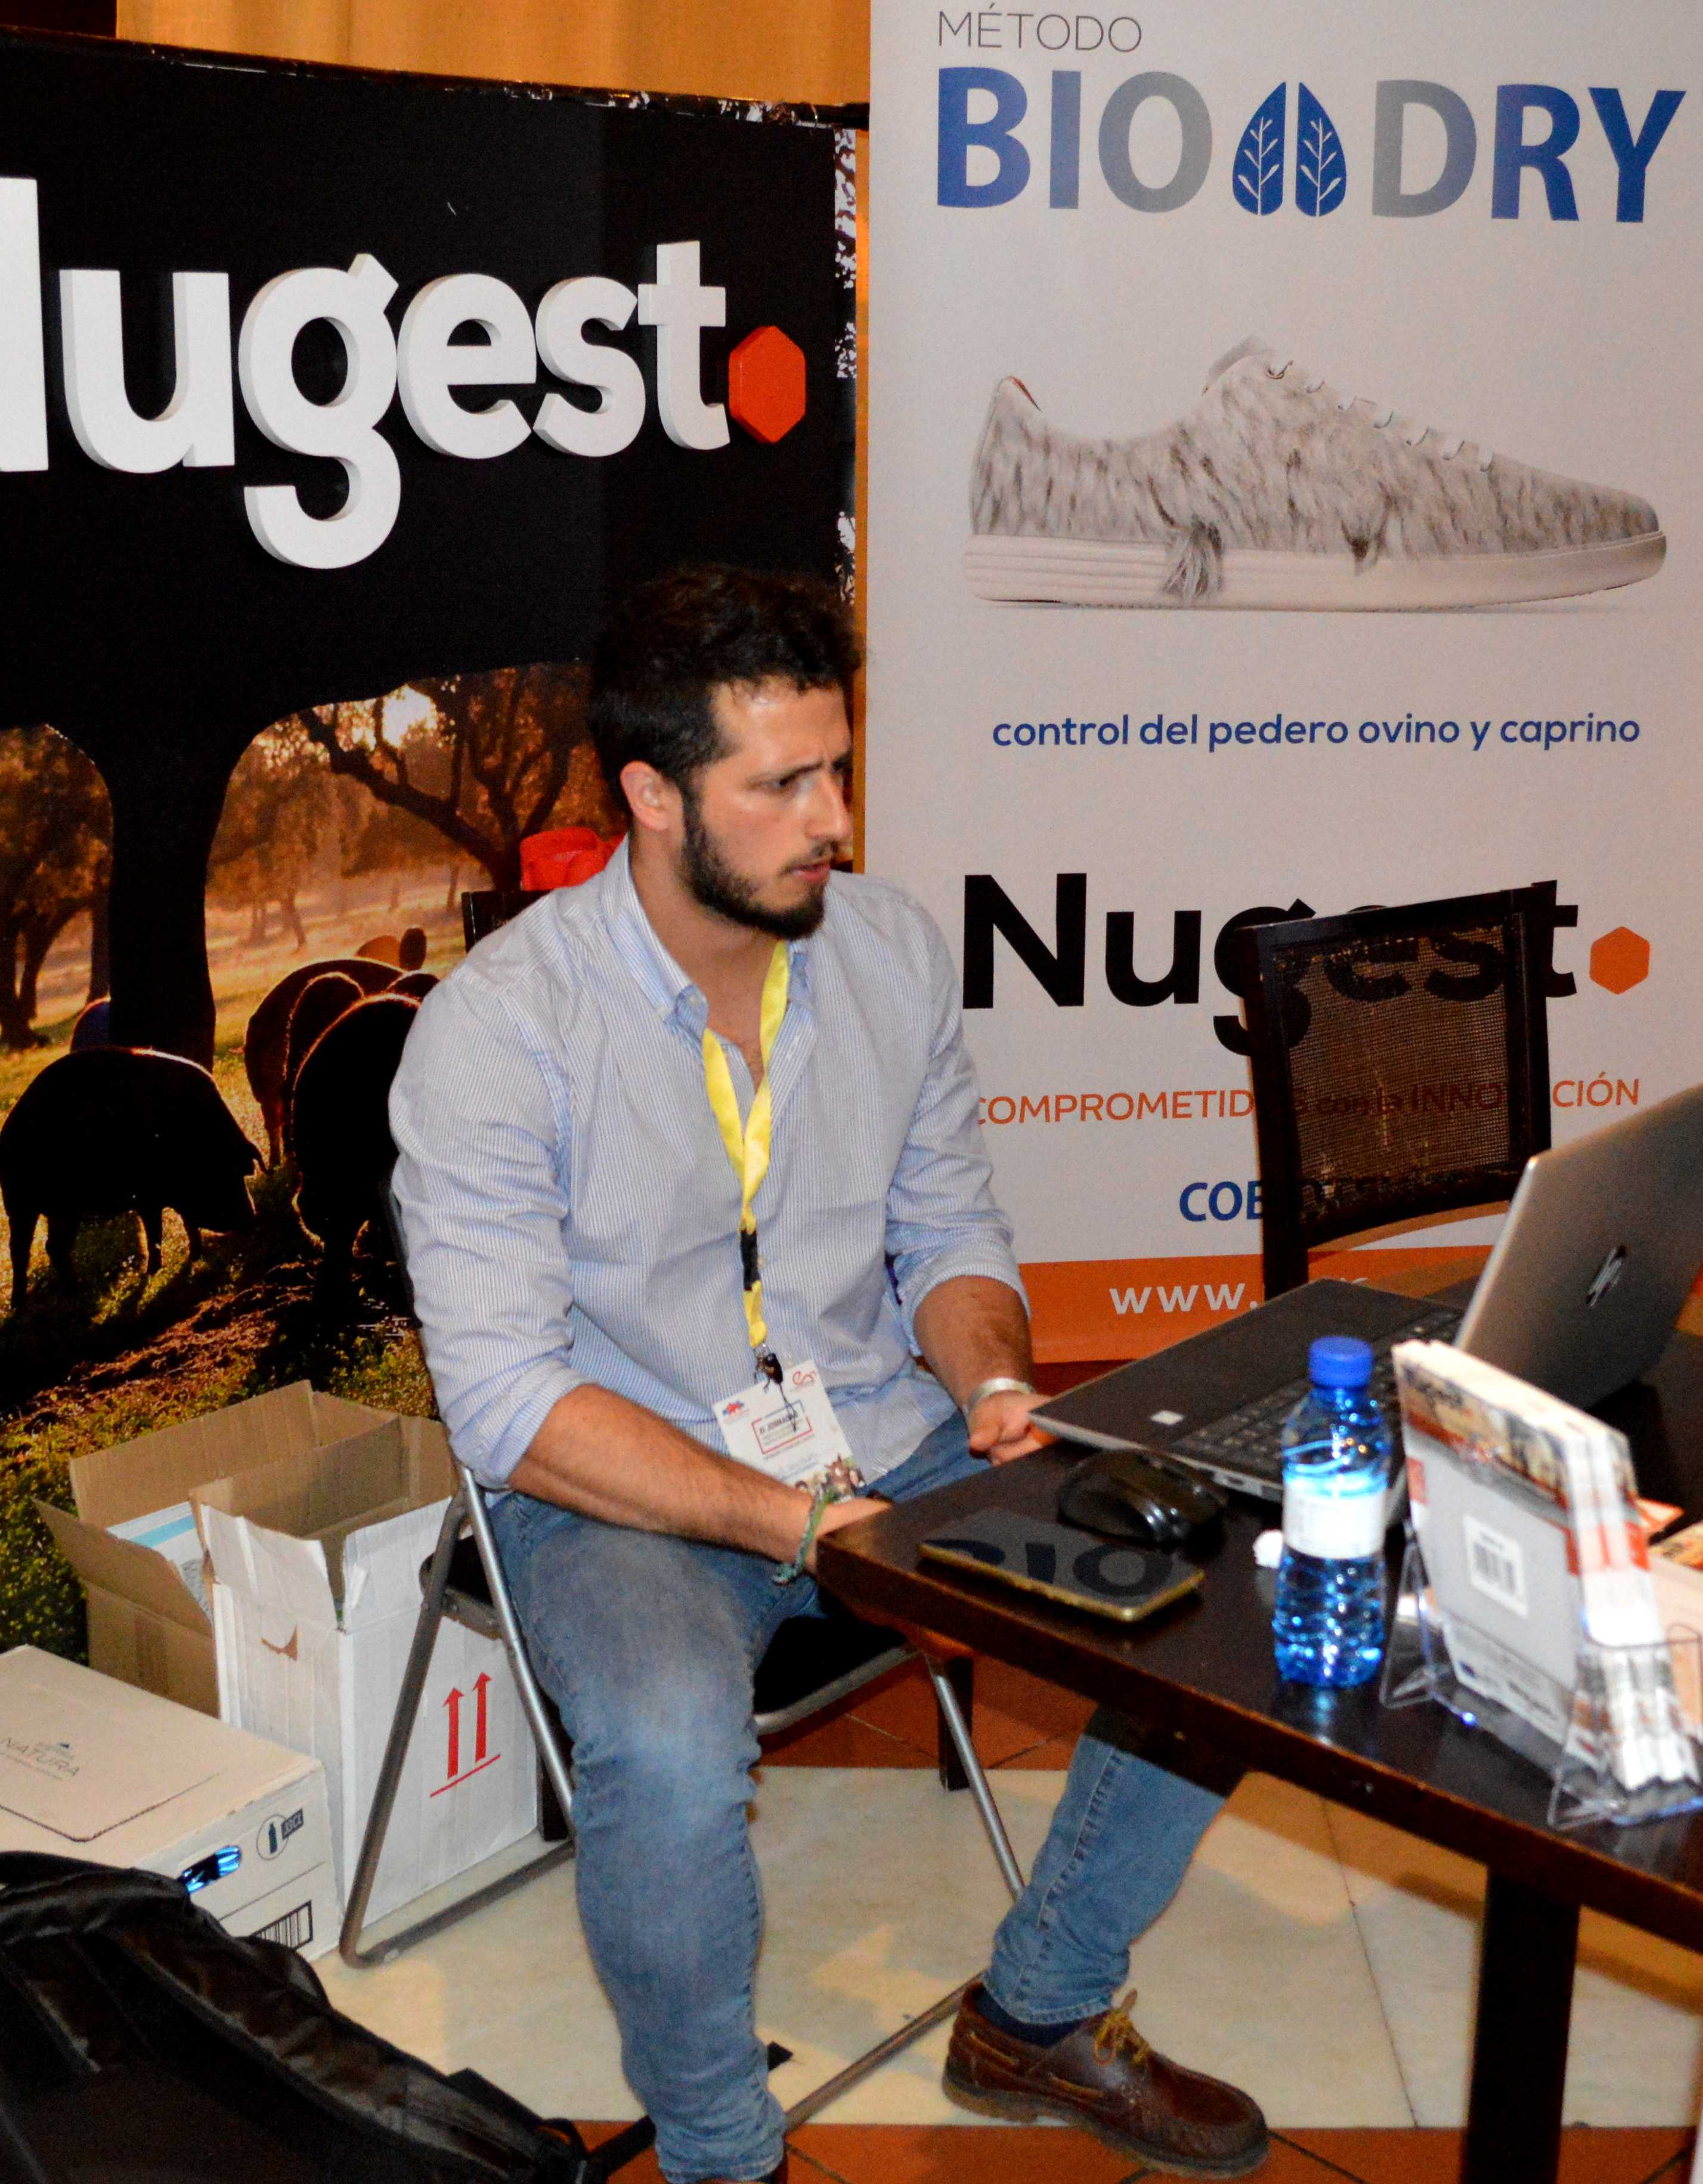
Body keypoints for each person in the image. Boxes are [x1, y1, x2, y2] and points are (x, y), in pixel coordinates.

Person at [388, 566, 1266, 2184]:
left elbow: (950, 1234)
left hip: (884, 1439)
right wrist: (791, 1525)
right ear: (653, 796)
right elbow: (509, 1406)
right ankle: (724, 2153)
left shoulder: (887, 953)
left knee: (1235, 1589)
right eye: (782, 784)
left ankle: (1042, 2007)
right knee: (664, 1743)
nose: (834, 821)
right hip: (618, 1489)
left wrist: (993, 1387)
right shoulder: (499, 1032)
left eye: (839, 771)